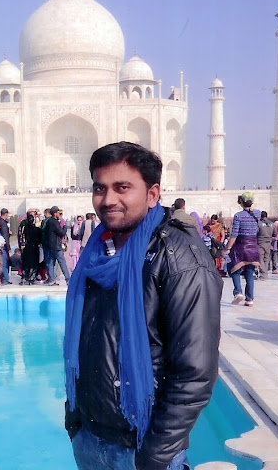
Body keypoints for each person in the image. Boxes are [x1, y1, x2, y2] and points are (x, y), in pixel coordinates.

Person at [64, 142, 221, 470]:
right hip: (90, 439)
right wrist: (75, 420)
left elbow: (194, 373)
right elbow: (85, 345)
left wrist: (153, 455)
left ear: (152, 194)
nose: (108, 199)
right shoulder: (96, 253)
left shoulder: (179, 259)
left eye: (122, 187)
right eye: (100, 188)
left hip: (142, 449)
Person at [222, 193, 261, 307]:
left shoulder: (238, 216)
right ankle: (250, 299)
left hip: (241, 246)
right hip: (253, 246)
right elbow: (254, 212)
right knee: (249, 272)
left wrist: (228, 248)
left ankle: (238, 292)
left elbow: (234, 234)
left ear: (241, 202)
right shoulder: (257, 213)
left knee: (234, 269)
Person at [43, 206, 70, 286]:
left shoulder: (49, 221)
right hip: (56, 246)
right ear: (55, 214)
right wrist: (65, 226)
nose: (59, 214)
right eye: (58, 213)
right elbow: (61, 233)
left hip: (50, 245)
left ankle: (51, 279)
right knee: (62, 262)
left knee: (51, 263)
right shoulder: (55, 222)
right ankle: (68, 279)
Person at [20, 212, 41, 285]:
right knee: (34, 263)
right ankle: (31, 278)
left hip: (27, 247)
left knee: (26, 262)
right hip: (34, 247)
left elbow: (22, 237)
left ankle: (25, 277)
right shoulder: (36, 229)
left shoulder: (24, 228)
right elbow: (40, 239)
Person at [256, 211, 276, 280]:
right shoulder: (272, 224)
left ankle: (263, 274)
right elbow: (275, 233)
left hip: (260, 242)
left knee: (260, 259)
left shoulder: (259, 223)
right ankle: (265, 274)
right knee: (266, 259)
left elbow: (256, 232)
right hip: (269, 242)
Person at [0, 208, 12, 285]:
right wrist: (8, 247)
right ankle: (5, 279)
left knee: (3, 262)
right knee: (4, 263)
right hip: (3, 246)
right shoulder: (3, 224)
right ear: (5, 214)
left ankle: (4, 278)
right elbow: (5, 236)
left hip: (0, 245)